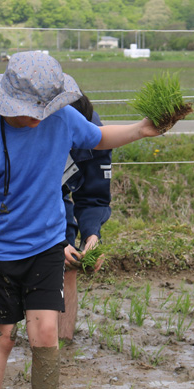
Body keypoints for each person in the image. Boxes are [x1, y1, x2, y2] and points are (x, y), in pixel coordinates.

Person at [0, 51, 160, 389]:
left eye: (43, 108)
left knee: (45, 334)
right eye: (30, 109)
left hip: (47, 244)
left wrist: (140, 130)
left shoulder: (61, 117)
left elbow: (98, 138)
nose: (38, 117)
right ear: (7, 102)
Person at [60, 94, 112, 343]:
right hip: (8, 203)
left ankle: (61, 346)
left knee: (67, 264)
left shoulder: (96, 136)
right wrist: (54, 241)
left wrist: (92, 236)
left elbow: (93, 196)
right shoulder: (25, 128)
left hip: (56, 194)